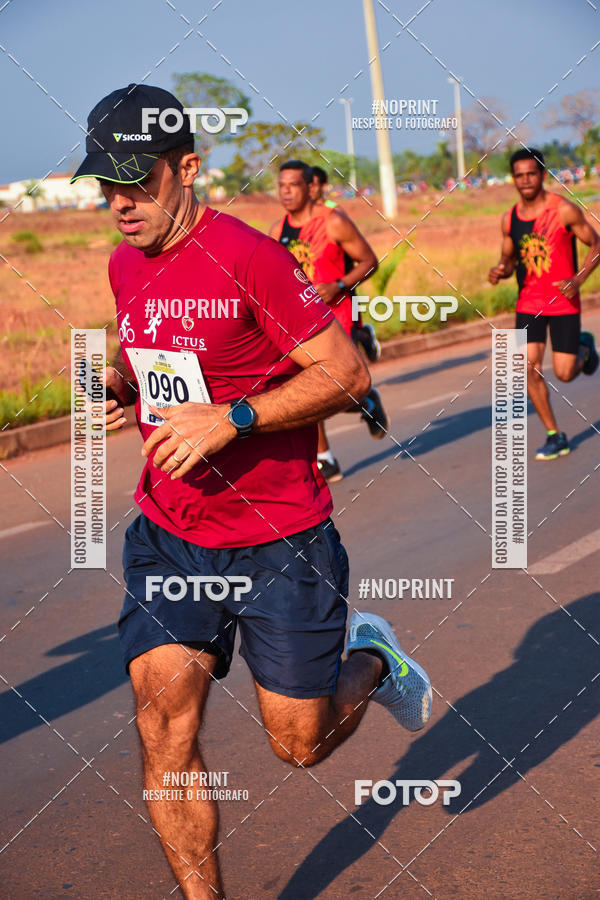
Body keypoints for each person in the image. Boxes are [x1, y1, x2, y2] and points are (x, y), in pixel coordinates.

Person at [71, 85, 432, 899]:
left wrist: (232, 418)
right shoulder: (125, 260)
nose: (120, 203)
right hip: (171, 529)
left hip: (281, 536)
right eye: (106, 183)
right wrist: (126, 388)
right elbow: (148, 346)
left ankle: (372, 656)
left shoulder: (250, 257)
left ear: (188, 168)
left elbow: (347, 375)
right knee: (164, 725)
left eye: (138, 180)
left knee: (298, 745)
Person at [270, 160, 388, 482]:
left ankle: (366, 401)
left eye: (292, 185)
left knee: (339, 390)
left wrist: (337, 285)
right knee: (307, 387)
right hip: (299, 322)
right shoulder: (277, 231)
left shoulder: (334, 222)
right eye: (281, 186)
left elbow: (369, 262)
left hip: (338, 315)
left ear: (310, 187)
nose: (285, 192)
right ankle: (325, 457)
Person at [488, 147, 600, 460]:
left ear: (542, 175)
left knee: (564, 373)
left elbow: (596, 244)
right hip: (529, 301)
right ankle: (555, 435)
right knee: (527, 368)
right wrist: (501, 270)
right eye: (519, 175)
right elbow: (509, 258)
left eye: (531, 174)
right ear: (513, 178)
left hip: (564, 300)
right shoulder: (509, 218)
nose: (525, 180)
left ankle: (585, 349)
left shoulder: (563, 210)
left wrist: (578, 279)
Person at [310, 165, 382, 367]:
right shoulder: (301, 217)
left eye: (315, 184)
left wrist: (342, 281)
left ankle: (363, 337)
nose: (311, 189)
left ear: (323, 186)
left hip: (342, 276)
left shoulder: (335, 211)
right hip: (318, 282)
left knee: (348, 329)